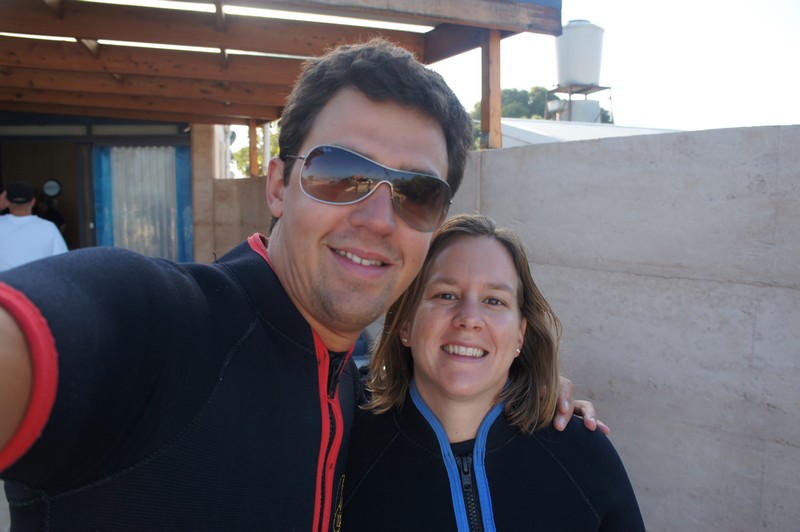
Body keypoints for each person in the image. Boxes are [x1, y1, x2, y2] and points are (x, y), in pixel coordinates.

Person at [0, 40, 598, 531]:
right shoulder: (162, 324)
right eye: (341, 173)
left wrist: (521, 390)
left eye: (416, 194)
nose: (378, 220)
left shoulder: (353, 388)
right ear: (279, 186)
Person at [343, 214, 644, 531]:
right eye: (446, 295)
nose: (469, 318)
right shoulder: (346, 453)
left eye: (494, 300)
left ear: (519, 336)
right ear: (406, 324)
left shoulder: (582, 455)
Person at [0, 183, 68, 272]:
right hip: (38, 280)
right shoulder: (48, 227)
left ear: (7, 202)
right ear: (33, 202)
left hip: (4, 280)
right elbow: (63, 263)